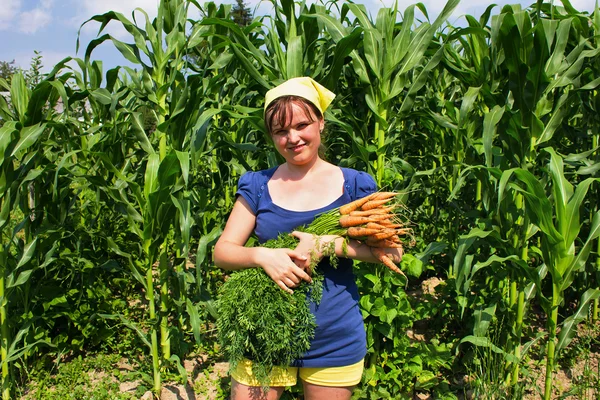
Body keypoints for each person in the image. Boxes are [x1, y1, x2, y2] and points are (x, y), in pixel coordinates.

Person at [213, 77, 403, 400]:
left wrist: (327, 245)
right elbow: (222, 252)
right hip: (262, 333)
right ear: (272, 136)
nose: (293, 138)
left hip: (333, 336)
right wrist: (263, 256)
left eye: (302, 125)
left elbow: (393, 252)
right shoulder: (257, 185)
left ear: (321, 123)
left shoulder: (355, 185)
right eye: (281, 131)